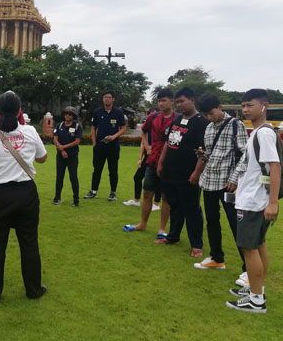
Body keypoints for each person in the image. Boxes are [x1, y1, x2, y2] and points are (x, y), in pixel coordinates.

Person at [0, 91, 48, 302]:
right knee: (29, 243)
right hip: (26, 193)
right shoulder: (30, 131)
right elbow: (42, 158)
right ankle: (33, 290)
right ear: (19, 111)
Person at [226, 89, 281, 314]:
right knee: (258, 244)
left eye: (250, 105)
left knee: (249, 247)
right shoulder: (258, 131)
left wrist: (273, 202)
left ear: (264, 106)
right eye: (244, 106)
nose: (246, 109)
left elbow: (275, 167)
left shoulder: (264, 134)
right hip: (252, 197)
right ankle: (256, 289)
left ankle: (256, 300)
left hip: (255, 201)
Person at [195, 94, 248, 275]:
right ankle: (217, 258)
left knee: (236, 224)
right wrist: (202, 155)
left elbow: (245, 155)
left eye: (211, 113)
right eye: (205, 115)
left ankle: (248, 268)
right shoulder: (209, 128)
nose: (209, 117)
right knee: (211, 222)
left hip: (227, 183)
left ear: (219, 107)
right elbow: (210, 155)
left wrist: (235, 178)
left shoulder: (235, 124)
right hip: (209, 182)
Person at [155, 87, 208, 257]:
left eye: (182, 101)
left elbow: (204, 151)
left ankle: (197, 246)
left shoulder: (201, 122)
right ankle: (173, 237)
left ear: (192, 100)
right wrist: (161, 162)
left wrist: (197, 173)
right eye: (177, 102)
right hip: (171, 172)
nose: (179, 105)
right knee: (175, 206)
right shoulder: (177, 119)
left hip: (188, 174)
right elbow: (168, 142)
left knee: (191, 209)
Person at [123, 89, 177, 239]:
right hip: (152, 162)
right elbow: (143, 132)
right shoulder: (153, 117)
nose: (160, 103)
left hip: (169, 164)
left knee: (166, 197)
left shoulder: (177, 119)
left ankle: (161, 229)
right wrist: (146, 146)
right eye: (159, 101)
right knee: (147, 193)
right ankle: (142, 224)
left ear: (171, 102)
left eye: (164, 100)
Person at [84, 91, 127, 201]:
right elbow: (93, 128)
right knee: (97, 169)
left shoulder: (118, 112)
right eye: (104, 97)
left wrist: (114, 136)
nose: (106, 99)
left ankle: (113, 192)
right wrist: (94, 143)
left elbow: (123, 128)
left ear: (113, 99)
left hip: (113, 146)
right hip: (100, 146)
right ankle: (93, 191)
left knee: (113, 170)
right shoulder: (98, 112)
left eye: (108, 97)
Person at [52, 106, 83, 207]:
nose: (67, 116)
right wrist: (61, 149)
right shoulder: (59, 125)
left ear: (73, 116)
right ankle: (57, 198)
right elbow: (55, 139)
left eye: (69, 114)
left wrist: (63, 147)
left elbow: (77, 141)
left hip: (72, 155)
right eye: (65, 113)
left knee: (73, 177)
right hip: (60, 155)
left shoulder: (77, 126)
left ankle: (76, 200)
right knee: (59, 177)